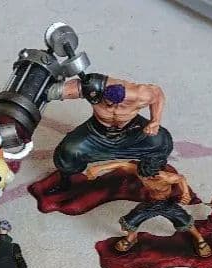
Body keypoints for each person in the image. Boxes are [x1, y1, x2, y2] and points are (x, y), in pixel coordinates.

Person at [45, 74, 173, 193]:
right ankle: (65, 182)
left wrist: (155, 121)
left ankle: (152, 172)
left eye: (117, 104)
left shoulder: (140, 94)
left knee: (162, 140)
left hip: (132, 130)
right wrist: (54, 87)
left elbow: (158, 95)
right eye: (107, 103)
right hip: (97, 132)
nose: (111, 107)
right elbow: (56, 91)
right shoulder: (92, 88)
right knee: (68, 150)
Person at [86, 157, 211, 257]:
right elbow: (122, 164)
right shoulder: (140, 172)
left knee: (185, 220)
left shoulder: (168, 177)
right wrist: (99, 167)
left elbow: (181, 179)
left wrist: (186, 193)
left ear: (156, 174)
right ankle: (132, 237)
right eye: (142, 176)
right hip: (150, 203)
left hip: (167, 204)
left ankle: (199, 238)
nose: (144, 179)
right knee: (130, 221)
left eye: (148, 177)